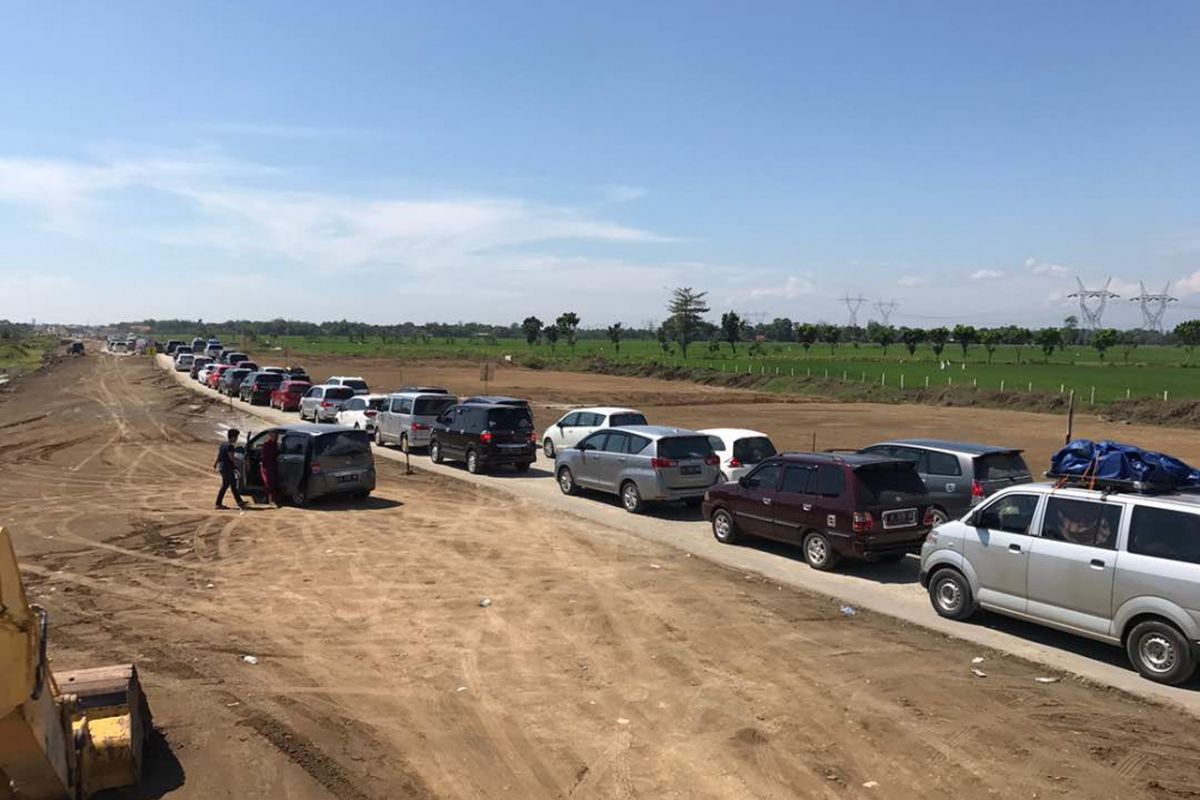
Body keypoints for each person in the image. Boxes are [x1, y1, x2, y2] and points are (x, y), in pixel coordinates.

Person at [214, 428, 246, 510]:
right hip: (227, 468)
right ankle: (218, 503)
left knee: (232, 485)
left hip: (223, 467)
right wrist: (242, 461)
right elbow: (231, 458)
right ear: (233, 437)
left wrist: (215, 463)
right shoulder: (230, 446)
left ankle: (239, 502)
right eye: (236, 437)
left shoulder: (223, 445)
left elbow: (219, 455)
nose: (236, 439)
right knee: (227, 486)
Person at [260, 431, 281, 506]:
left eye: (276, 436)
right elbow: (264, 456)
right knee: (269, 482)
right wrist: (264, 466)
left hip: (274, 465)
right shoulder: (266, 444)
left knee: (274, 482)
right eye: (274, 436)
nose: (275, 437)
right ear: (270, 436)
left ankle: (273, 499)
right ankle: (266, 498)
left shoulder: (275, 445)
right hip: (268, 465)